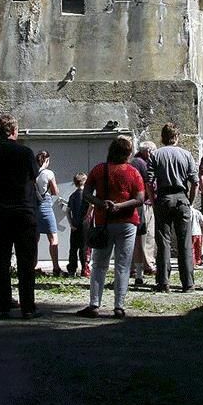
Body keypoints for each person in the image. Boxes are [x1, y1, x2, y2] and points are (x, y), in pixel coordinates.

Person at [76, 136, 144, 319]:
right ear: (128, 153)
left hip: (104, 222)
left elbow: (87, 194)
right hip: (127, 222)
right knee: (122, 265)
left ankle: (94, 304)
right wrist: (120, 205)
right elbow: (139, 199)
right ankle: (119, 306)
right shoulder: (133, 172)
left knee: (99, 264)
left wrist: (101, 203)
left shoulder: (99, 169)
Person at [0, 114, 40, 319]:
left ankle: (3, 306)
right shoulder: (25, 153)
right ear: (14, 131)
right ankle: (27, 307)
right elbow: (34, 176)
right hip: (24, 211)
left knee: (1, 261)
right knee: (26, 262)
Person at [147, 123, 199, 293]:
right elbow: (195, 181)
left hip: (163, 198)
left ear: (162, 137)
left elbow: (149, 181)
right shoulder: (186, 155)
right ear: (177, 136)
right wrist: (190, 200)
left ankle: (163, 282)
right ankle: (188, 283)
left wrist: (153, 200)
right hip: (181, 198)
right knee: (184, 241)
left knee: (163, 241)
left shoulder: (155, 155)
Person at [130, 141, 157, 286]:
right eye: (153, 151)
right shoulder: (140, 163)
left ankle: (139, 266)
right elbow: (148, 183)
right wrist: (152, 199)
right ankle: (147, 265)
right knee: (146, 237)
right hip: (144, 204)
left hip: (141, 203)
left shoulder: (136, 162)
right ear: (148, 151)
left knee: (143, 237)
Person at [35, 151, 65, 277]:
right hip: (45, 205)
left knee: (34, 239)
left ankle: (34, 266)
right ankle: (56, 267)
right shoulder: (48, 173)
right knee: (53, 238)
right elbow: (55, 191)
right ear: (47, 160)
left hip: (33, 207)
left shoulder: (31, 172)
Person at [66, 172, 90, 277]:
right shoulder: (86, 194)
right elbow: (92, 205)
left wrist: (70, 223)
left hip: (74, 225)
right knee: (84, 247)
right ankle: (84, 268)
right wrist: (87, 216)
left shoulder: (73, 196)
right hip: (84, 224)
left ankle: (72, 268)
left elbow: (67, 210)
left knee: (73, 248)